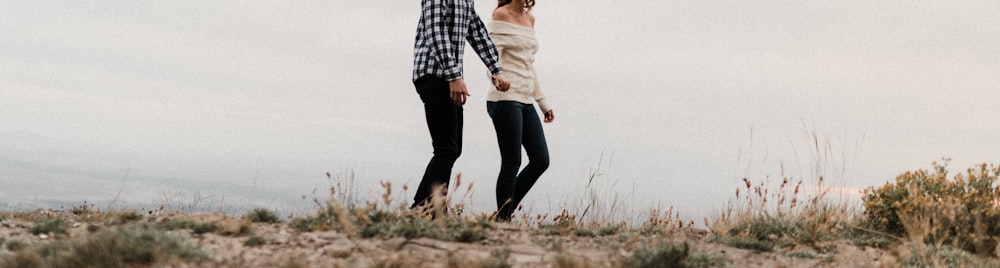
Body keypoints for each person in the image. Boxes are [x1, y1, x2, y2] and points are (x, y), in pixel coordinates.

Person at [411, 0, 511, 213]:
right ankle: (432, 211)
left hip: (448, 77)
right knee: (446, 148)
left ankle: (421, 206)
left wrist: (496, 70)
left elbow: (477, 32)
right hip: (433, 73)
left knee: (452, 148)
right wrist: (454, 75)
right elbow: (434, 30)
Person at [487, 0, 553, 222]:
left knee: (540, 160)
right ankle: (504, 221)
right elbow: (491, 58)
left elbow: (529, 64)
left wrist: (542, 102)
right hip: (504, 98)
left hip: (526, 100)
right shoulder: (501, 15)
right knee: (511, 162)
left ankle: (502, 216)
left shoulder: (529, 19)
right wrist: (497, 79)